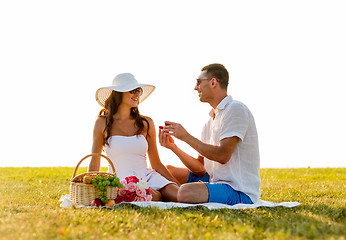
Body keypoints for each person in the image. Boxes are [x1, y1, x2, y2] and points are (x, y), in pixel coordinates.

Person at [159, 63, 261, 205]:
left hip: (238, 190)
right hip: (214, 181)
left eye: (198, 82)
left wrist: (186, 137)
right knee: (167, 171)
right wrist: (173, 147)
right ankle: (174, 194)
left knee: (185, 192)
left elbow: (222, 155)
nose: (196, 87)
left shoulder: (236, 109)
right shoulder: (210, 122)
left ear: (213, 82)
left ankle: (173, 194)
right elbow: (200, 168)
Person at [88, 73, 180, 202]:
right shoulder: (102, 123)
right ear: (119, 93)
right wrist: (88, 187)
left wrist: (178, 185)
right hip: (121, 182)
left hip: (148, 177)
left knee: (182, 196)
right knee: (150, 196)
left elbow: (156, 163)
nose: (137, 94)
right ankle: (155, 195)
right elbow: (95, 161)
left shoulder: (146, 123)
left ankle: (157, 193)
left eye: (139, 90)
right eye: (133, 90)